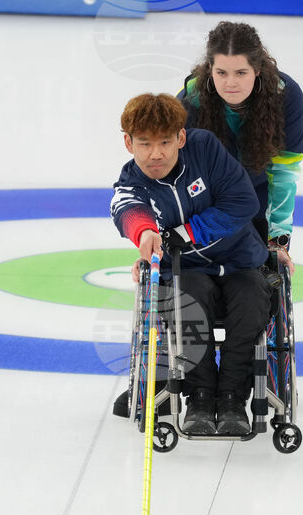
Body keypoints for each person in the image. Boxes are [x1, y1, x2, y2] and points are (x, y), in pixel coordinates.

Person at [110, 93, 271, 436]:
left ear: (181, 138)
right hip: (188, 272)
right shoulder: (132, 182)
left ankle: (232, 398)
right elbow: (127, 210)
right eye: (145, 143)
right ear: (129, 143)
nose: (156, 153)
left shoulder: (205, 150)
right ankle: (200, 397)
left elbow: (242, 202)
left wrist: (186, 233)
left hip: (239, 261)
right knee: (186, 298)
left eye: (166, 142)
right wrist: (144, 234)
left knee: (254, 298)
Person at [178, 21, 303, 275]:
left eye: (241, 73)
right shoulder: (191, 98)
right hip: (204, 209)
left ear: (257, 69)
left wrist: (277, 239)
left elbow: (284, 174)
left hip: (257, 204)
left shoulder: (286, 96)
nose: (230, 83)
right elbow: (177, 171)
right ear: (209, 68)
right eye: (221, 73)